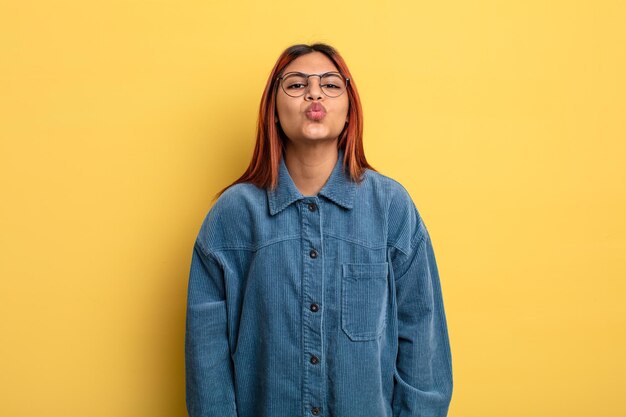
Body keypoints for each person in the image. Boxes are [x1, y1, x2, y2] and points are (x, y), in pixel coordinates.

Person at [185, 42, 453, 417]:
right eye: (295, 85)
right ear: (273, 111)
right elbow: (206, 362)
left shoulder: (391, 208)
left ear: (349, 109)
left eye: (330, 84)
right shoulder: (232, 217)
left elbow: (423, 344)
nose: (314, 92)